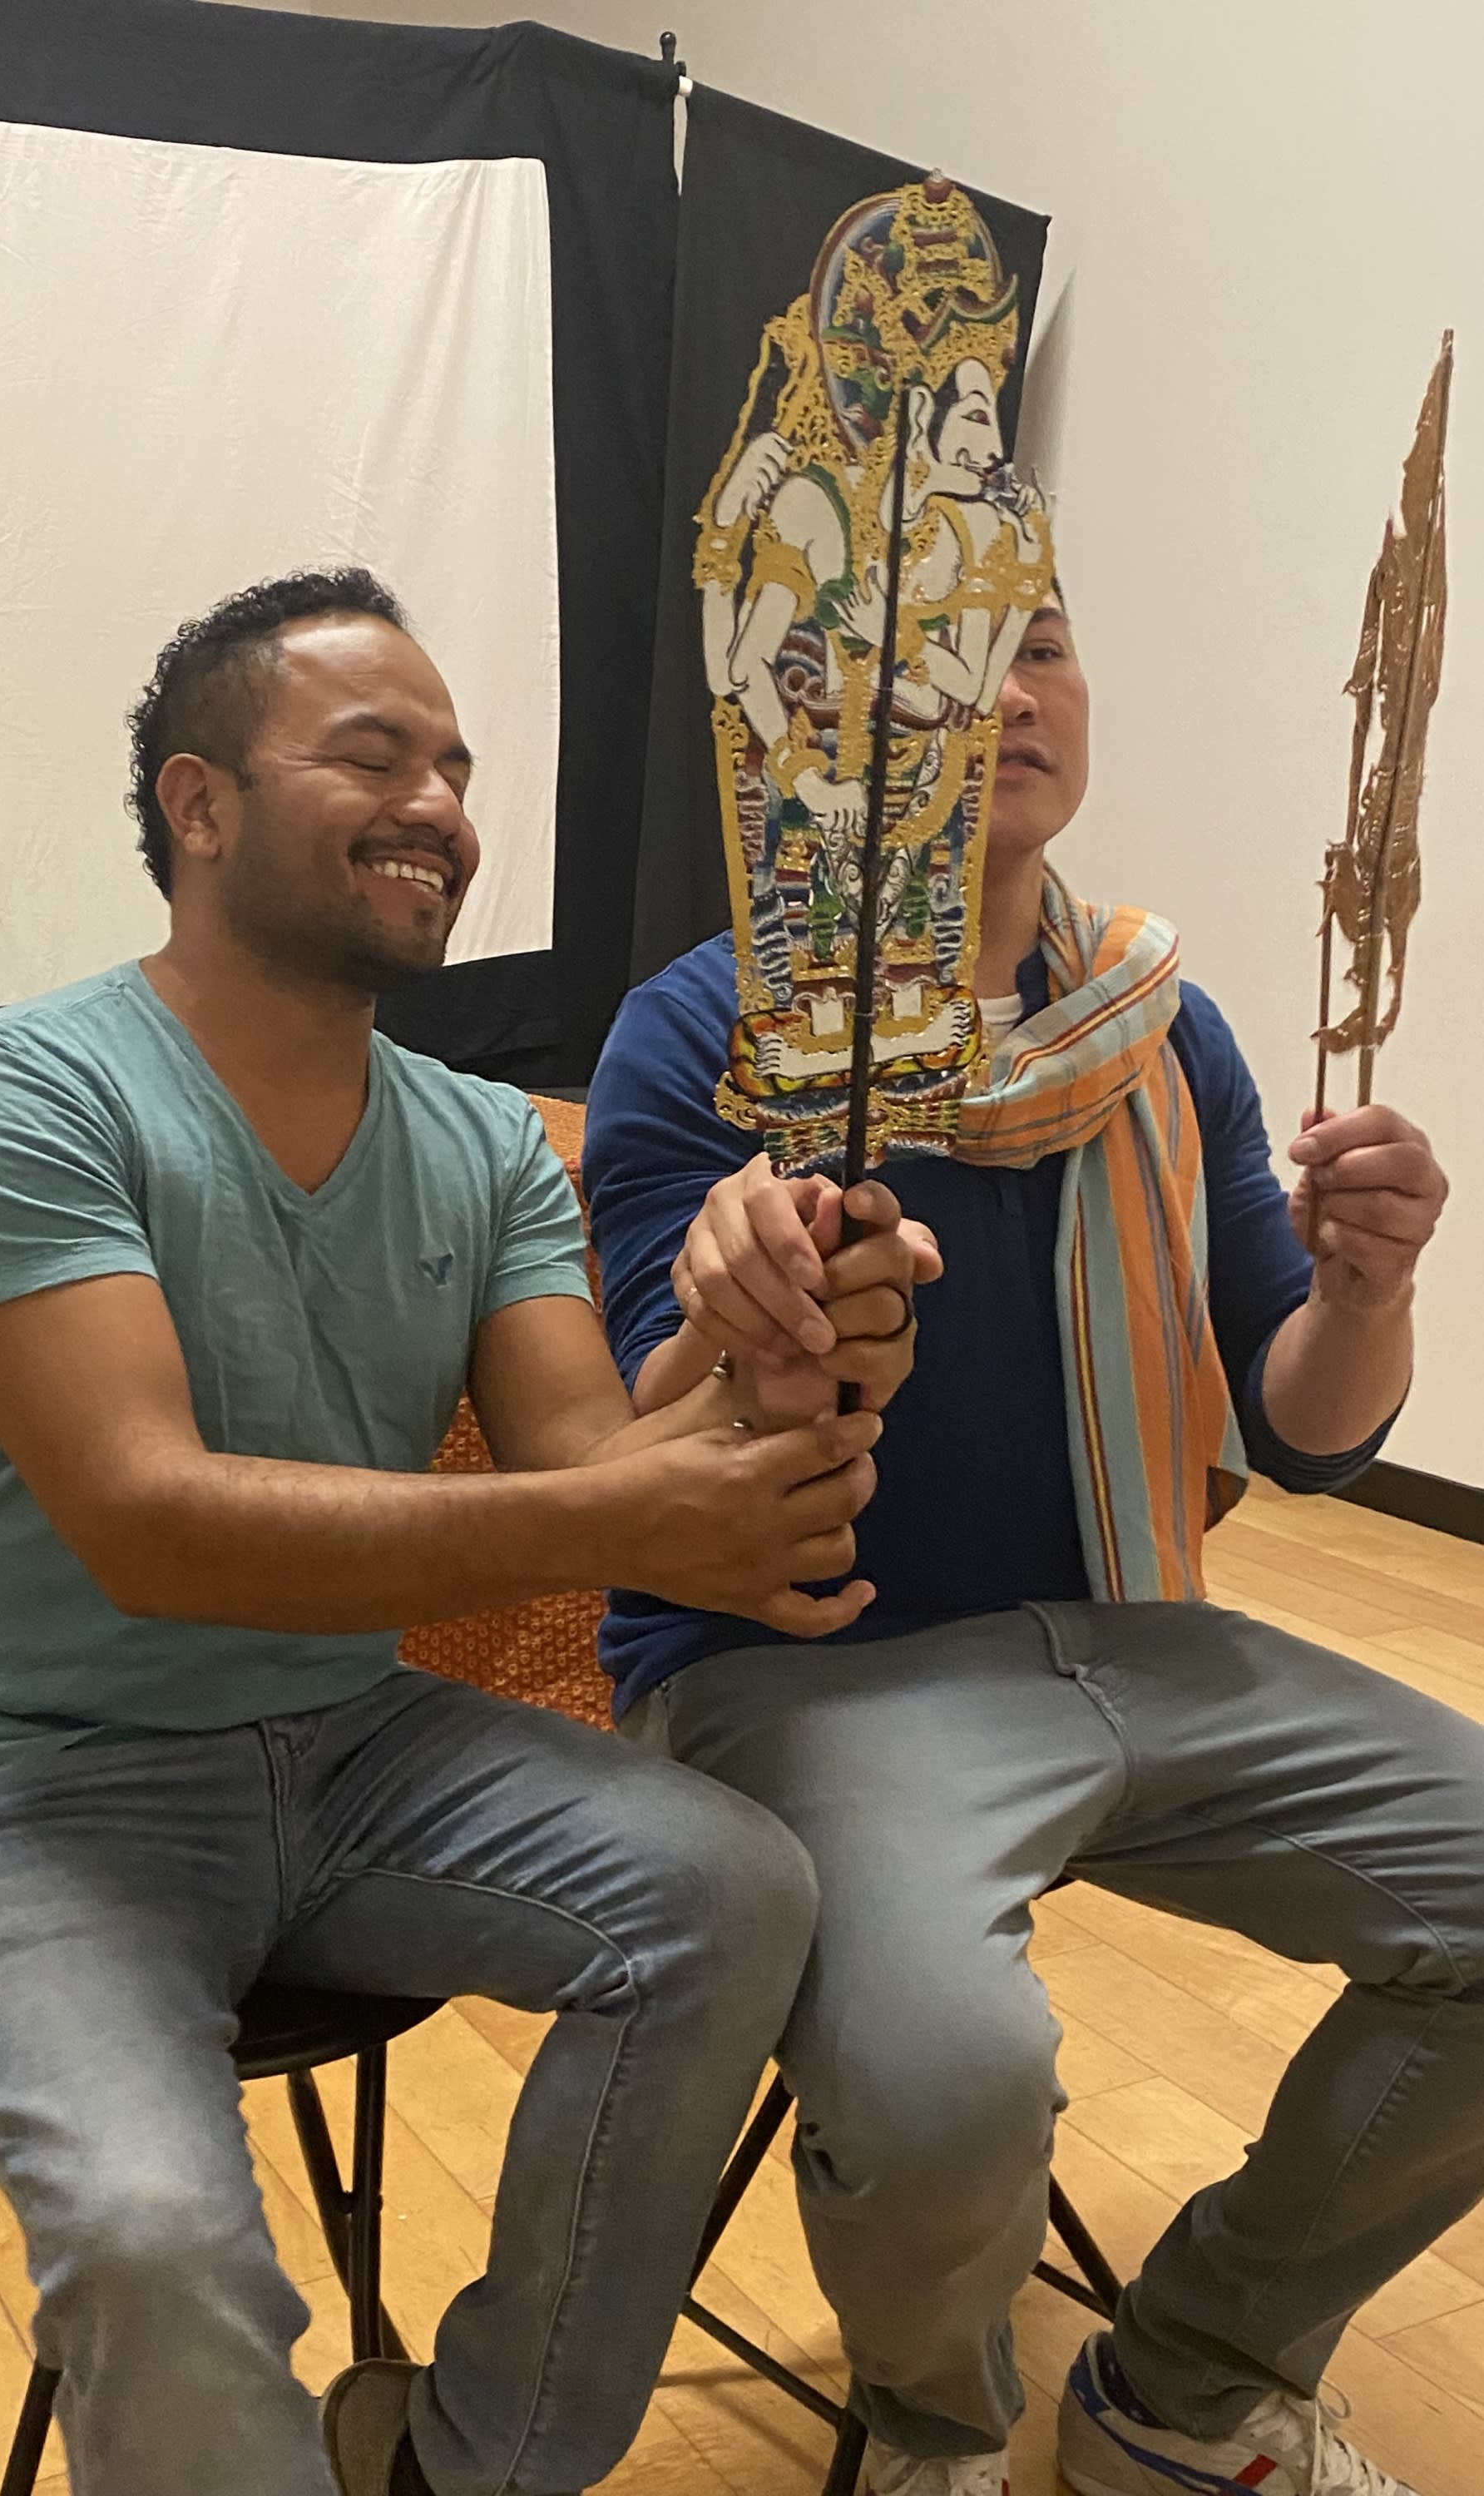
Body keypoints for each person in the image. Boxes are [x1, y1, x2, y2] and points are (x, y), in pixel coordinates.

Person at [0, 567, 903, 2496]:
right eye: (375, 753)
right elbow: (154, 1528)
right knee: (158, 2244)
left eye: (460, 768)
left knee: (731, 1887)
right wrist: (638, 1510)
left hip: (348, 1746)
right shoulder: (12, 1093)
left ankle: (465, 2467)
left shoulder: (486, 1137)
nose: (443, 806)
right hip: (16, 1783)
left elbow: (588, 1446)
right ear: (199, 806)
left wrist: (761, 1339)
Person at [583, 595, 1477, 2496]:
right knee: (944, 2074)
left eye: (1047, 643)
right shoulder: (720, 1025)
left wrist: (1371, 1289)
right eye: (937, 646)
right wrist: (734, 1309)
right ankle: (935, 2424)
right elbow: (621, 1429)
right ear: (817, 710)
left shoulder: (1153, 1026)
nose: (1007, 693)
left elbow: (1306, 1429)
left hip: (1127, 1631)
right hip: (802, 1670)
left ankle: (1194, 2377)